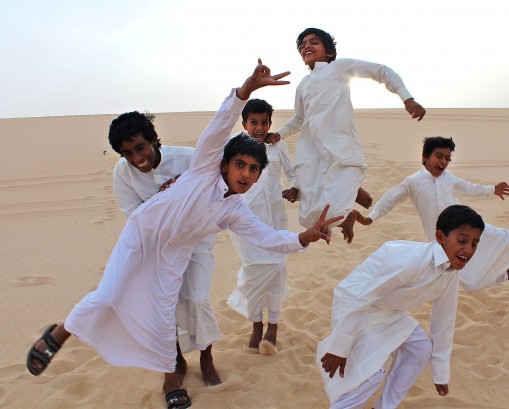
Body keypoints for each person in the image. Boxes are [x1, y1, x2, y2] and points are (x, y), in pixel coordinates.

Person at [26, 60, 343, 409]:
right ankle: (57, 334)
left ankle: (170, 380)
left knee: (165, 316)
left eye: (253, 170)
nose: (246, 173)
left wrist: (304, 237)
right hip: (141, 237)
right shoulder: (203, 165)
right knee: (108, 296)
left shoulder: (235, 210)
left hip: (176, 254)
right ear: (224, 163)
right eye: (240, 164)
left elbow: (268, 237)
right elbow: (221, 124)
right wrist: (246, 90)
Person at [355, 136, 509, 292]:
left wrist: (492, 189)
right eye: (439, 156)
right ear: (425, 157)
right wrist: (370, 218)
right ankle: (507, 274)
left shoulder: (449, 179)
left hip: (469, 224)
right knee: (471, 283)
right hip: (444, 239)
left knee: (507, 239)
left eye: (447, 158)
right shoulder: (413, 182)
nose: (443, 162)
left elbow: (471, 189)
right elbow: (390, 199)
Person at [267, 27, 426, 243]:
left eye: (314, 42)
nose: (307, 46)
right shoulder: (303, 84)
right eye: (302, 45)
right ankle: (347, 216)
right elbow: (299, 118)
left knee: (337, 195)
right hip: (312, 151)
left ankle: (353, 191)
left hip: (340, 145)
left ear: (329, 52)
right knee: (310, 216)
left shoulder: (340, 68)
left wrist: (407, 98)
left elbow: (382, 71)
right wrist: (279, 133)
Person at [318, 205, 485, 408]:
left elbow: (444, 320)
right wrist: (340, 348)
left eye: (475, 244)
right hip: (356, 301)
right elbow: (364, 296)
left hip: (389, 310)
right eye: (462, 240)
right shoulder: (412, 261)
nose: (468, 249)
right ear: (440, 237)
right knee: (370, 375)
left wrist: (440, 372)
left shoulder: (451, 273)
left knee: (421, 347)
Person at [110, 111, 222, 385]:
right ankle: (175, 361)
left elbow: (215, 191)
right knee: (163, 307)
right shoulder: (123, 174)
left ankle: (206, 358)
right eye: (128, 154)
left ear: (153, 141)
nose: (137, 159)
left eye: (140, 147)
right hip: (156, 248)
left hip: (196, 241)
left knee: (197, 298)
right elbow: (136, 216)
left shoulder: (188, 158)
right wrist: (165, 198)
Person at [227, 99, 298, 355]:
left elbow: (292, 171)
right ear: (244, 123)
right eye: (254, 122)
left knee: (277, 268)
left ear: (270, 123)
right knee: (253, 271)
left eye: (264, 122)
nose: (259, 127)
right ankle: (256, 324)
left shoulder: (277, 145)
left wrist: (296, 187)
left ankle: (274, 326)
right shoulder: (233, 146)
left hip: (275, 217)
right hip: (244, 219)